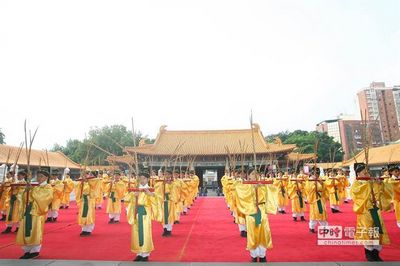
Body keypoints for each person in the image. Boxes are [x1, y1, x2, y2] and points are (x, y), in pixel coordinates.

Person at [350, 163, 392, 262]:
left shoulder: (371, 181)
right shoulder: (357, 183)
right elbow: (356, 194)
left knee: (378, 230)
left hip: (375, 210)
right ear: (358, 173)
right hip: (365, 210)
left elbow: (381, 192)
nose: (366, 173)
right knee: (368, 231)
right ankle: (369, 253)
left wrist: (380, 184)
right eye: (364, 171)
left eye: (367, 171)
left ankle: (376, 253)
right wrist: (367, 185)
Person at [235, 169, 278, 262]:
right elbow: (239, 191)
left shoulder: (263, 184)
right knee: (253, 233)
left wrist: (265, 185)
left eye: (256, 173)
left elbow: (274, 187)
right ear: (249, 175)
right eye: (252, 174)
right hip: (251, 211)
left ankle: (262, 255)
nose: (255, 175)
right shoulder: (246, 185)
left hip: (261, 210)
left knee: (263, 232)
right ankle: (254, 255)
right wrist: (252, 187)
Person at [17, 168, 53, 259]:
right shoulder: (35, 187)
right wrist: (26, 191)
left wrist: (31, 191)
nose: (39, 178)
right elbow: (25, 198)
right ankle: (27, 250)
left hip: (37, 212)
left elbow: (43, 199)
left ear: (46, 178)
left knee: (35, 230)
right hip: (28, 211)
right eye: (38, 176)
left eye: (41, 176)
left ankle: (35, 251)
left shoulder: (48, 187)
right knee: (26, 229)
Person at [128, 171, 158, 262]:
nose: (142, 180)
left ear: (148, 179)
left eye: (144, 178)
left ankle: (145, 254)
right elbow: (127, 199)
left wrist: (151, 195)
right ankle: (139, 253)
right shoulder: (136, 189)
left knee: (145, 232)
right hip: (136, 212)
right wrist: (134, 196)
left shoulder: (150, 189)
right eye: (140, 178)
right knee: (136, 232)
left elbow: (157, 201)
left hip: (145, 213)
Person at [75, 171, 102, 236]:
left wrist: (87, 182)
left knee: (89, 214)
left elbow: (95, 187)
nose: (89, 176)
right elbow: (78, 189)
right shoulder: (84, 181)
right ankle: (84, 229)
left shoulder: (94, 181)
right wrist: (81, 183)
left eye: (91, 175)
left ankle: (89, 230)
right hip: (83, 200)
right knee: (83, 214)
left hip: (89, 200)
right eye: (89, 174)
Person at [305, 167, 329, 233]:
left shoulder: (320, 179)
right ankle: (311, 227)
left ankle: (325, 227)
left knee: (321, 212)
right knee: (315, 213)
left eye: (318, 173)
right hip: (314, 198)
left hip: (320, 198)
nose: (316, 175)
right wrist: (314, 185)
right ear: (312, 173)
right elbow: (307, 189)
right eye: (315, 173)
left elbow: (324, 189)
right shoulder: (309, 180)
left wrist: (321, 183)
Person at [2, 170, 26, 234]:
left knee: (18, 214)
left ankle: (18, 228)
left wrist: (17, 192)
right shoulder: (15, 181)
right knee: (10, 213)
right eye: (18, 175)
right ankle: (8, 227)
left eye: (19, 175)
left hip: (19, 201)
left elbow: (23, 192)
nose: (18, 176)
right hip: (12, 200)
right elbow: (10, 189)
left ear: (23, 176)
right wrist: (12, 188)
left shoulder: (24, 183)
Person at [388, 164, 400, 228]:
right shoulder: (391, 181)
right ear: (391, 172)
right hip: (397, 200)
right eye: (395, 171)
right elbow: (397, 189)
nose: (397, 172)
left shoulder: (397, 179)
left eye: (398, 171)